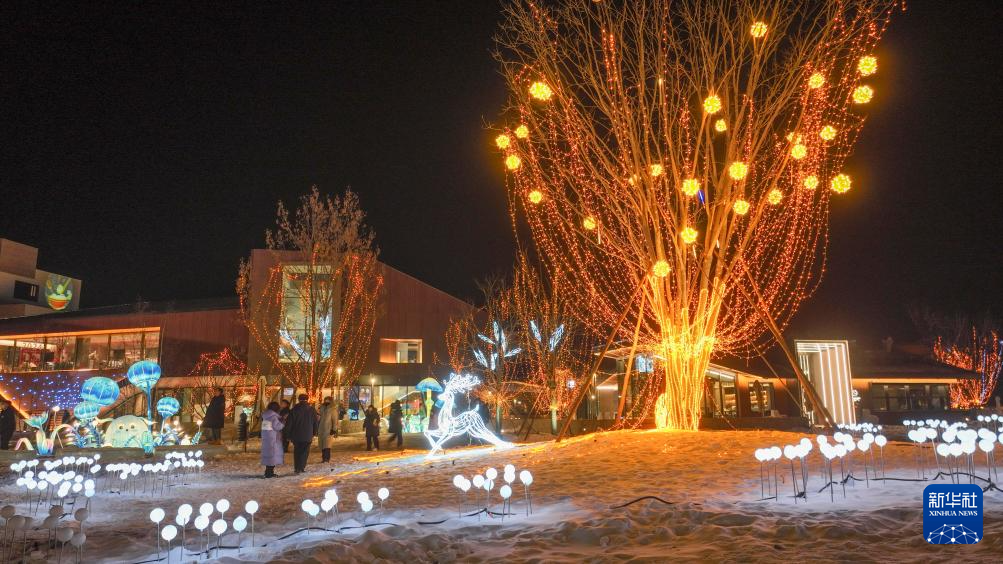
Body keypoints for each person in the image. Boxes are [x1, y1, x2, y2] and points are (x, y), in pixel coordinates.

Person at [285, 394, 318, 473]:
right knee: (305, 452)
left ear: (298, 399)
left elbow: (289, 423)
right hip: (307, 434)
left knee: (297, 451)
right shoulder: (312, 410)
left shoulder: (294, 409)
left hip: (296, 435)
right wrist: (315, 432)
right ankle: (301, 467)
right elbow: (315, 422)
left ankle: (297, 468)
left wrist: (288, 434)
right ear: (307, 399)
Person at [260, 402, 285, 478]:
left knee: (269, 455)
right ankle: (269, 473)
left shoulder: (266, 416)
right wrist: (283, 421)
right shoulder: (273, 417)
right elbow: (278, 427)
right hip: (273, 438)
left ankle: (268, 472)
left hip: (267, 438)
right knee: (272, 456)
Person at [317, 396, 339, 462]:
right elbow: (318, 418)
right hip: (321, 429)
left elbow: (335, 420)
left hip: (328, 429)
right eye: (325, 400)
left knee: (327, 445)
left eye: (328, 400)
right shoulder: (321, 408)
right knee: (322, 444)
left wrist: (334, 429)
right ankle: (323, 458)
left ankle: (326, 458)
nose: (326, 401)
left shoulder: (333, 409)